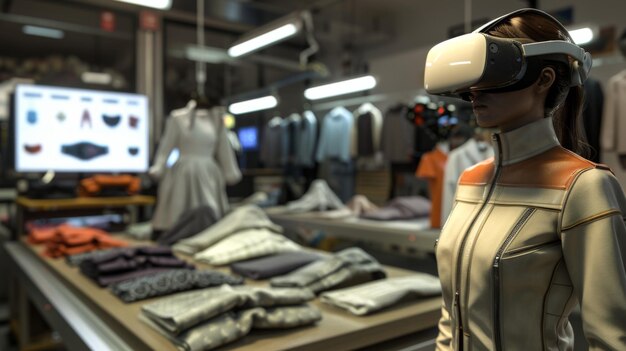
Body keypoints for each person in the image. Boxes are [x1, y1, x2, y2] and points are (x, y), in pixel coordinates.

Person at [425, 9, 626, 350]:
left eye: (492, 73)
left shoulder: (583, 187)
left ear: (544, 79)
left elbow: (612, 338)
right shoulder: (469, 180)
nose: (474, 91)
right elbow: (451, 313)